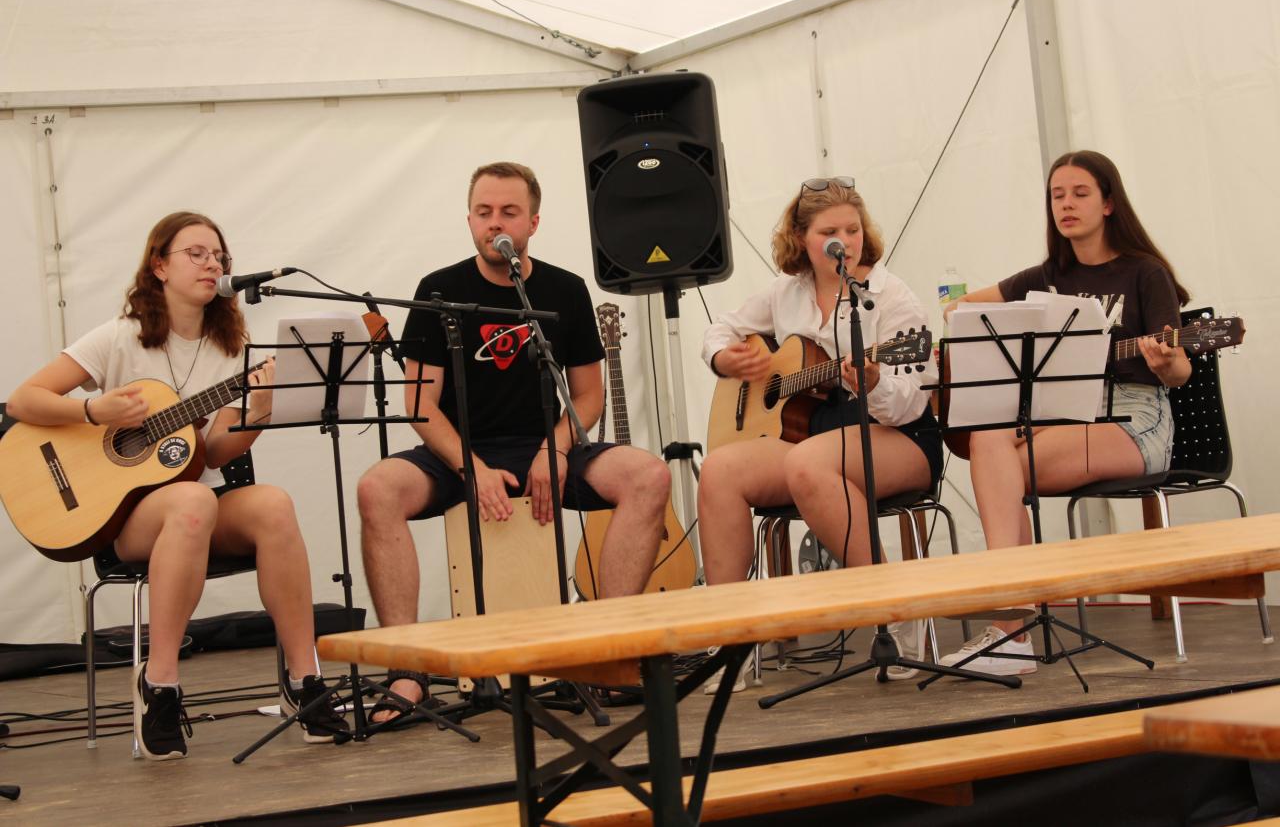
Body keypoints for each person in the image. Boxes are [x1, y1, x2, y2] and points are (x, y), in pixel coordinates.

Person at [5, 211, 347, 760]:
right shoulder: (119, 338)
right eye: (197, 253)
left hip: (197, 501)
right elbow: (24, 400)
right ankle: (160, 683)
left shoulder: (232, 347)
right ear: (159, 266)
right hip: (124, 517)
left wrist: (259, 410)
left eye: (219, 256)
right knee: (191, 501)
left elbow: (213, 452)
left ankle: (304, 679)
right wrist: (93, 411)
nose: (213, 264)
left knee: (273, 504)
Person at [356, 161, 671, 722]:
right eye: (483, 212)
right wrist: (470, 467)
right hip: (459, 451)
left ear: (533, 222)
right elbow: (421, 406)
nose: (494, 223)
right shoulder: (438, 290)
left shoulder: (565, 289)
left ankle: (608, 651)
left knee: (649, 475)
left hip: (545, 445)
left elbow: (588, 397)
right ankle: (407, 672)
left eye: (508, 212)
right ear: (469, 220)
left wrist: (555, 448)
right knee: (377, 489)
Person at [938, 150, 1192, 674]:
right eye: (1057, 196)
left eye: (1079, 194)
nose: (1066, 205)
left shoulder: (1145, 273)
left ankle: (1009, 626)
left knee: (1000, 472)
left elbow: (1180, 371)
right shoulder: (1048, 276)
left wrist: (1167, 361)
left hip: (1135, 419)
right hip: (1063, 414)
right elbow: (959, 309)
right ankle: (1014, 623)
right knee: (988, 441)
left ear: (1108, 204)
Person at [699, 176, 943, 689]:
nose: (844, 242)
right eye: (830, 232)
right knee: (720, 470)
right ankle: (732, 636)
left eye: (852, 230)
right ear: (801, 239)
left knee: (807, 464)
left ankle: (896, 610)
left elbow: (910, 402)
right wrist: (725, 358)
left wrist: (873, 382)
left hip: (896, 434)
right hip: (811, 435)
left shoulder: (891, 296)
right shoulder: (785, 292)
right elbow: (721, 328)